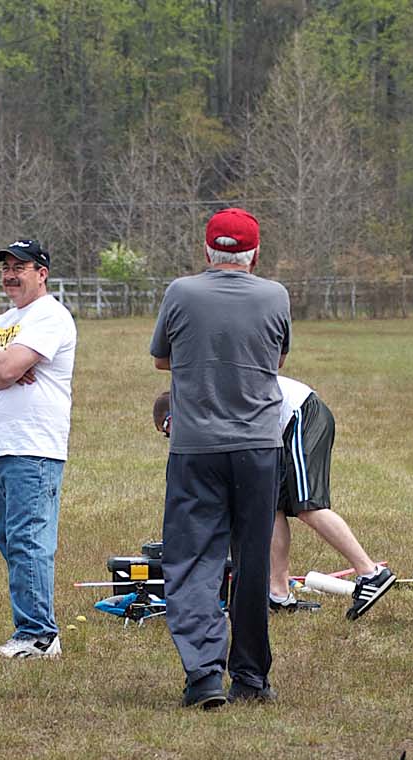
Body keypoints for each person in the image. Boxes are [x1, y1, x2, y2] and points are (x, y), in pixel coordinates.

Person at [148, 208, 291, 708]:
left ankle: (204, 674)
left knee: (192, 560)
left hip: (196, 447)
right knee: (252, 562)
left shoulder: (180, 293)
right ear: (255, 253)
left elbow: (162, 358)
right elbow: (277, 358)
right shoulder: (276, 296)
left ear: (207, 250)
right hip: (259, 446)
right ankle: (250, 677)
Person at [0, 238, 77, 659]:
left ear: (41, 274)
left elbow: (1, 371)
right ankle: (29, 628)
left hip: (34, 445)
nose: (10, 275)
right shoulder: (7, 319)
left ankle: (38, 635)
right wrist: (4, 361)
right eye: (5, 268)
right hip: (3, 445)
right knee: (10, 539)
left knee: (28, 540)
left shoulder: (50, 316)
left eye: (19, 268)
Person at [266, 376, 395, 619]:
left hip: (300, 415)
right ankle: (278, 594)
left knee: (308, 505)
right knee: (271, 507)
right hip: (277, 429)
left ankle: (371, 573)